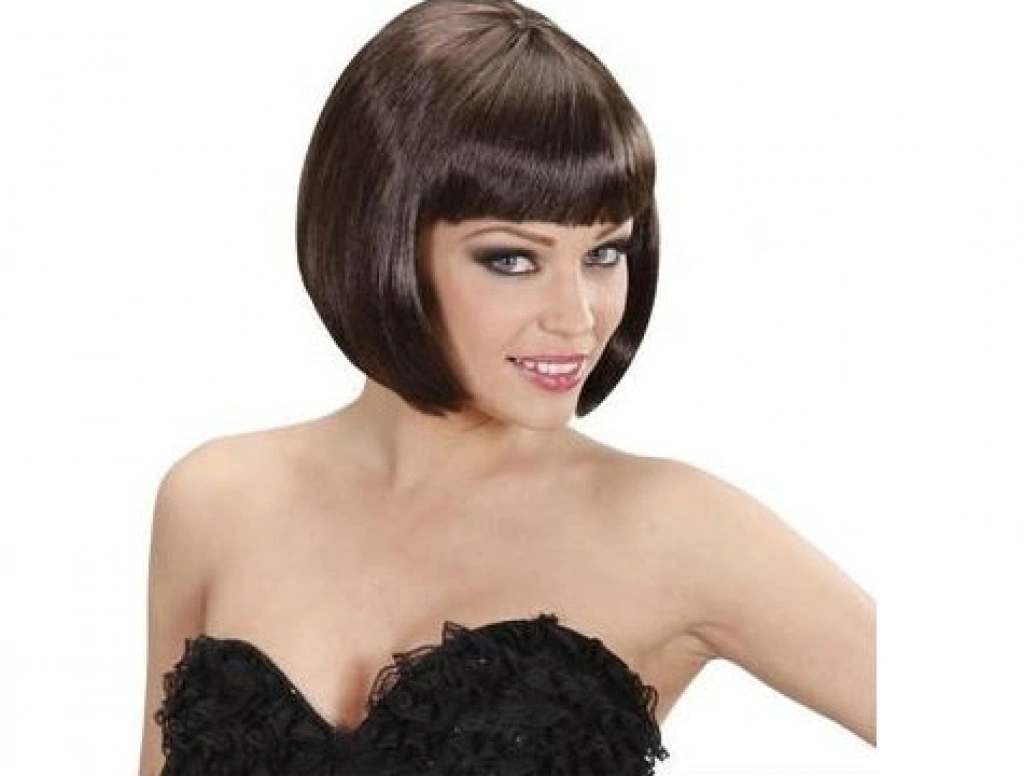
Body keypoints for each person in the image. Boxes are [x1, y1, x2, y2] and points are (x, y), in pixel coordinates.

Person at [137, 1, 876, 773]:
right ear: (379, 239)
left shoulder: (674, 527)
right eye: (513, 259)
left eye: (604, 253)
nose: (577, 317)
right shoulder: (217, 500)